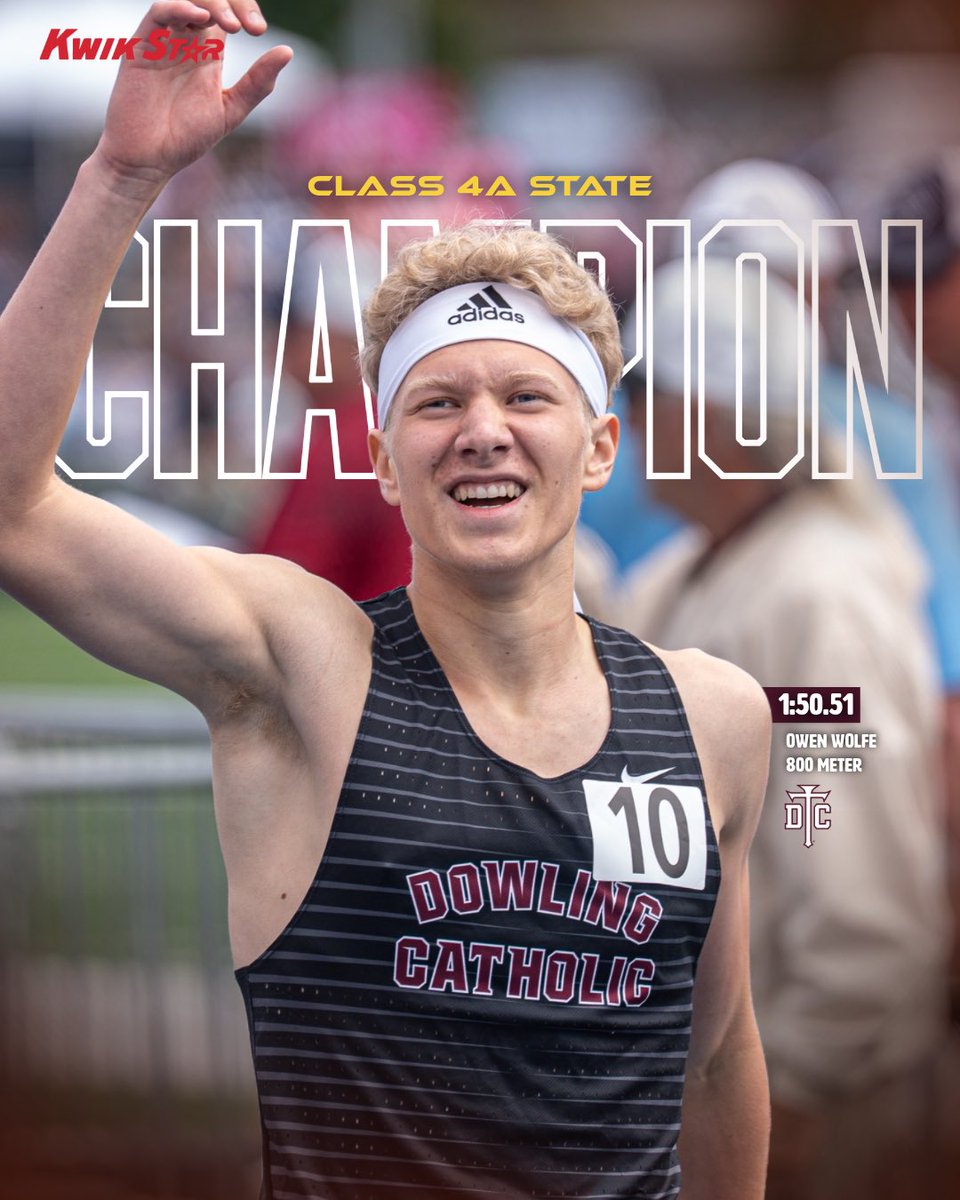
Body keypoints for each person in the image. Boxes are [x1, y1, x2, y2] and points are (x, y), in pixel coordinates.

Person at [0, 4, 772, 1196]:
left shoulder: (714, 717)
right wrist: (119, 180)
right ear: (381, 461)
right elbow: (15, 509)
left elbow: (716, 1063)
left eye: (527, 396)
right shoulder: (307, 671)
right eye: (437, 402)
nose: (483, 432)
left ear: (600, 448)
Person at [599, 257, 949, 1200]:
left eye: (650, 394)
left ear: (716, 414)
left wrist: (794, 1086)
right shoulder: (700, 571)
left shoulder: (818, 600)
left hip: (804, 1113)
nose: (633, 420)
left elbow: (839, 854)